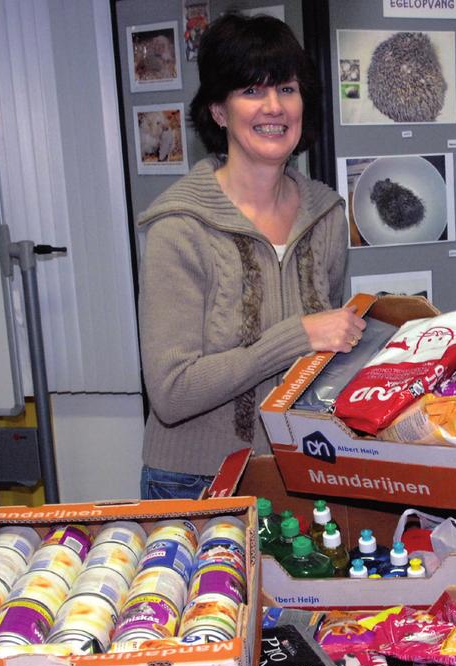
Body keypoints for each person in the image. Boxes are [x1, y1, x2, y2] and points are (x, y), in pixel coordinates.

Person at [137, 13, 364, 500]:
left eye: (286, 88)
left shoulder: (327, 215)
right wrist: (295, 337)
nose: (273, 106)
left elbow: (329, 356)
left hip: (305, 469)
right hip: (196, 483)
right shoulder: (179, 227)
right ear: (219, 111)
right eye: (251, 91)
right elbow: (172, 394)